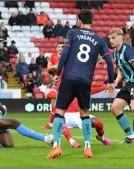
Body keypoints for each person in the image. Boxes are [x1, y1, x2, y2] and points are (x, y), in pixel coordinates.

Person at [46, 10, 115, 159]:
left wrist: (58, 74)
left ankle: (56, 146)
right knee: (85, 115)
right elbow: (109, 61)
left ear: (79, 20)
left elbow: (64, 54)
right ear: (92, 21)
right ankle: (88, 148)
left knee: (59, 112)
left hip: (69, 78)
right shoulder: (99, 39)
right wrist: (111, 81)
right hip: (85, 81)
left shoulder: (73, 33)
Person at [0, 55, 54, 148]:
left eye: (6, 67)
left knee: (8, 144)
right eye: (3, 66)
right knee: (14, 122)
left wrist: (1, 107)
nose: (5, 69)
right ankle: (45, 138)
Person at [41, 85, 112, 148]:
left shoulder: (77, 84)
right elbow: (49, 94)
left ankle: (101, 137)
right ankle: (72, 141)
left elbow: (89, 90)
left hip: (78, 113)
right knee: (61, 120)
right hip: (64, 113)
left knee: (98, 123)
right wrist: (49, 94)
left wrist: (105, 87)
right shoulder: (57, 86)